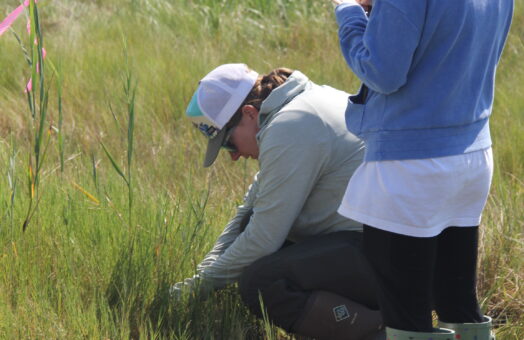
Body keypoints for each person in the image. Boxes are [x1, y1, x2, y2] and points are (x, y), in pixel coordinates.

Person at [331, 0, 514, 339]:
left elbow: (382, 72)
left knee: (406, 316)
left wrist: (349, 14)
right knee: (458, 304)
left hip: (409, 166)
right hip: (472, 156)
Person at [173, 63, 385, 339]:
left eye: (228, 143)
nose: (234, 156)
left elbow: (263, 238)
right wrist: (205, 271)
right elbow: (247, 213)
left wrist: (194, 290)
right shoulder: (295, 109)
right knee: (255, 246)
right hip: (383, 247)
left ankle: (377, 329)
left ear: (249, 114)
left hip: (387, 255)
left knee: (260, 282)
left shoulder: (291, 126)